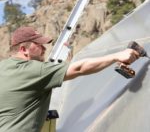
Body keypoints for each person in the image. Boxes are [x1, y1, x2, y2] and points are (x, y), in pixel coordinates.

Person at [0, 26, 139, 132]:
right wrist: (116, 56)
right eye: (38, 45)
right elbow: (79, 68)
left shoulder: (3, 68)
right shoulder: (33, 70)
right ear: (24, 49)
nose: (44, 48)